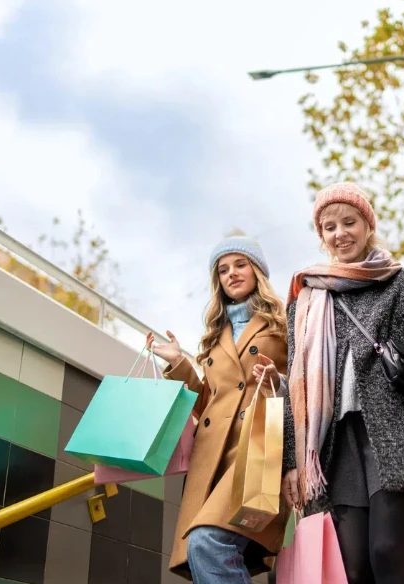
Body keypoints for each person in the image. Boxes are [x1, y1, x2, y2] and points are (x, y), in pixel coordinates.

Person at [280, 182, 404, 584]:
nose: (340, 233)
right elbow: (294, 385)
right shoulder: (305, 298)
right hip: (334, 445)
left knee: (386, 549)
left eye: (349, 222)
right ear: (321, 235)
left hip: (397, 432)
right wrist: (291, 463)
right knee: (354, 565)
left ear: (367, 225)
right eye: (329, 227)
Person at [149, 233, 289, 584]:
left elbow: (304, 386)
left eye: (241, 264)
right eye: (223, 269)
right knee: (203, 554)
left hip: (260, 447)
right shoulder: (215, 335)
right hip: (212, 458)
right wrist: (179, 363)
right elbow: (208, 403)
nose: (232, 274)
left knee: (207, 542)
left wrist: (277, 380)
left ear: (258, 271)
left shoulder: (283, 324)